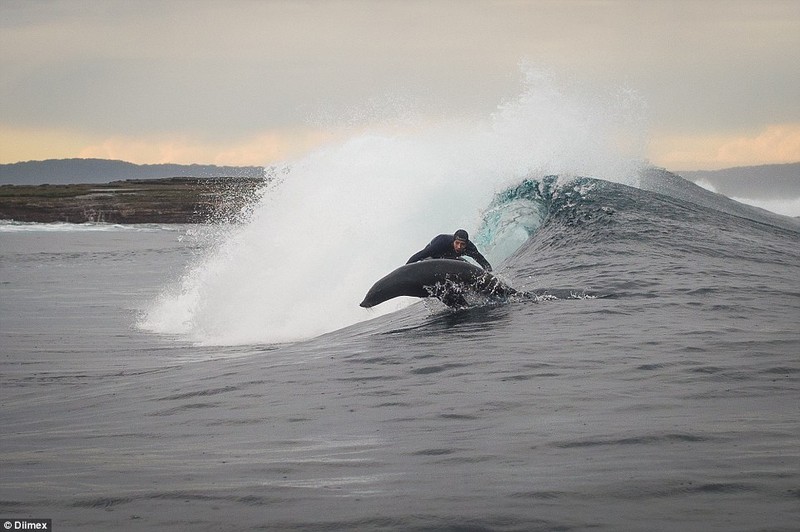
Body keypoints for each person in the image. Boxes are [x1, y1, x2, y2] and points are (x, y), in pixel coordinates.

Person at [406, 229, 492, 271]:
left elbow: (482, 261)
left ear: (466, 244)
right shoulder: (441, 243)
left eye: (462, 244)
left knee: (466, 265)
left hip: (449, 258)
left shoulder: (470, 248)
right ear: (453, 241)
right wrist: (406, 269)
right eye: (457, 243)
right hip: (431, 258)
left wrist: (490, 274)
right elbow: (420, 255)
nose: (459, 246)